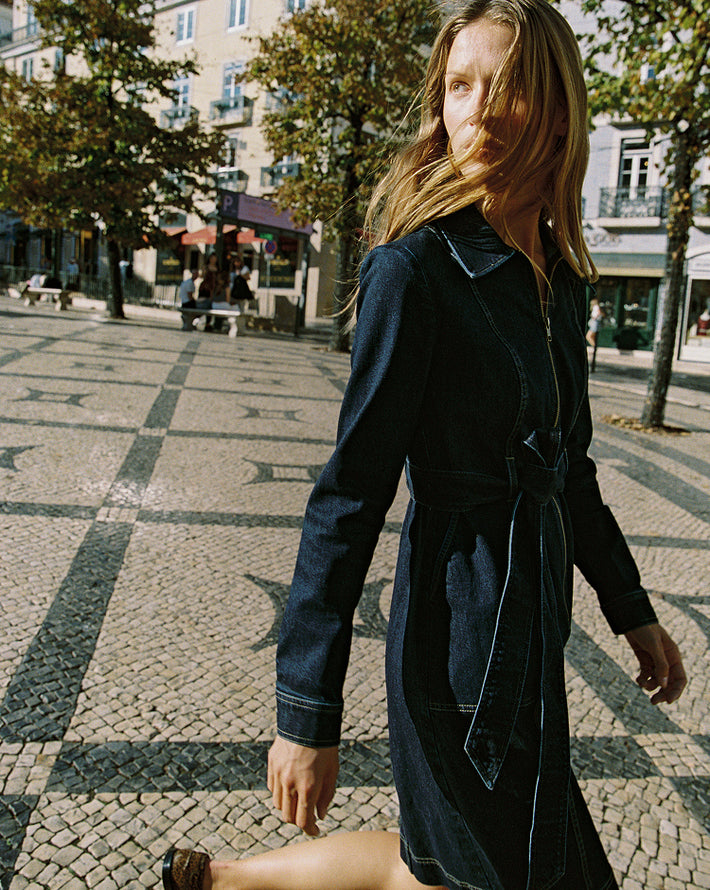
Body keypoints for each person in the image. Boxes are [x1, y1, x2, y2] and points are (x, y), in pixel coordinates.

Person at [161, 3, 687, 889]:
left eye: (503, 87)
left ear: (555, 108)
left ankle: (221, 882)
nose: (473, 110)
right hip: (457, 652)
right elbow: (350, 492)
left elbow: (571, 469)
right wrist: (307, 711)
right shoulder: (417, 270)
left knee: (434, 871)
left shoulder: (558, 282)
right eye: (457, 86)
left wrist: (629, 607)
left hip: (533, 642)